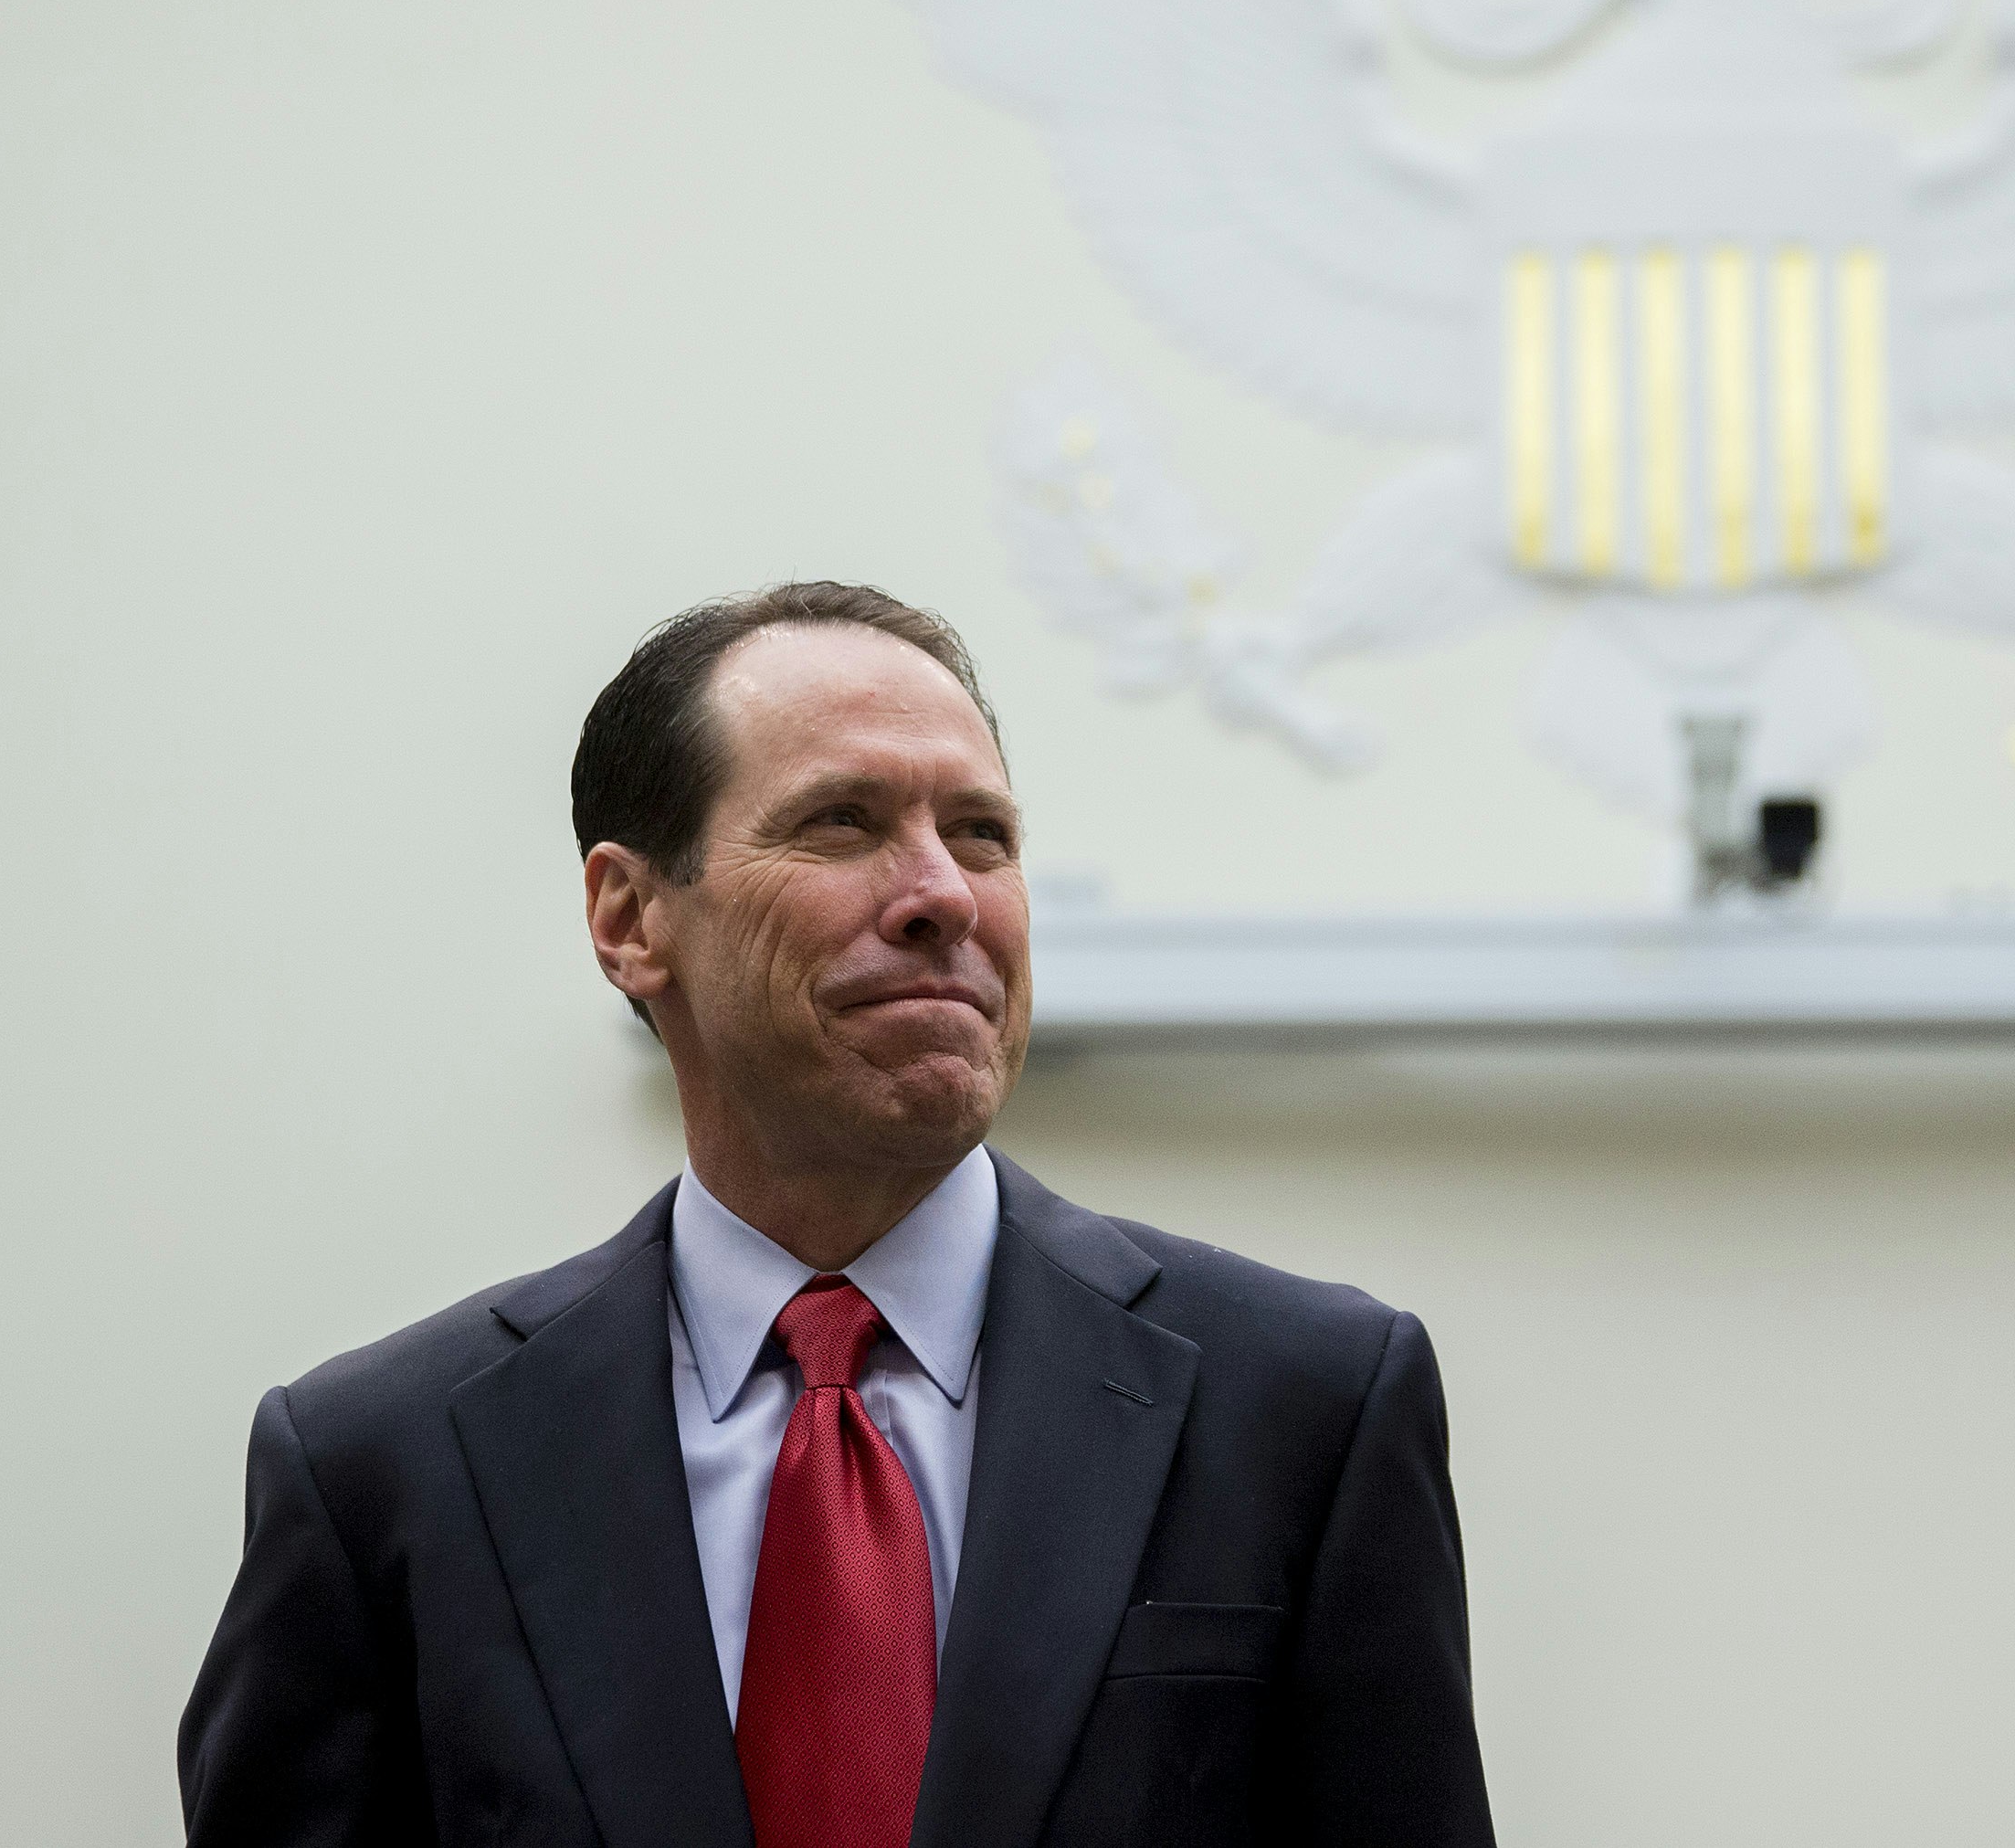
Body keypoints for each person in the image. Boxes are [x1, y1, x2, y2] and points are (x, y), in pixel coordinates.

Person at [177, 582, 1493, 1848]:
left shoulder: (1306, 1407)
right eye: (843, 824)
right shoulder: (381, 1470)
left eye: (983, 833)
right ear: (631, 919)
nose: (946, 896)